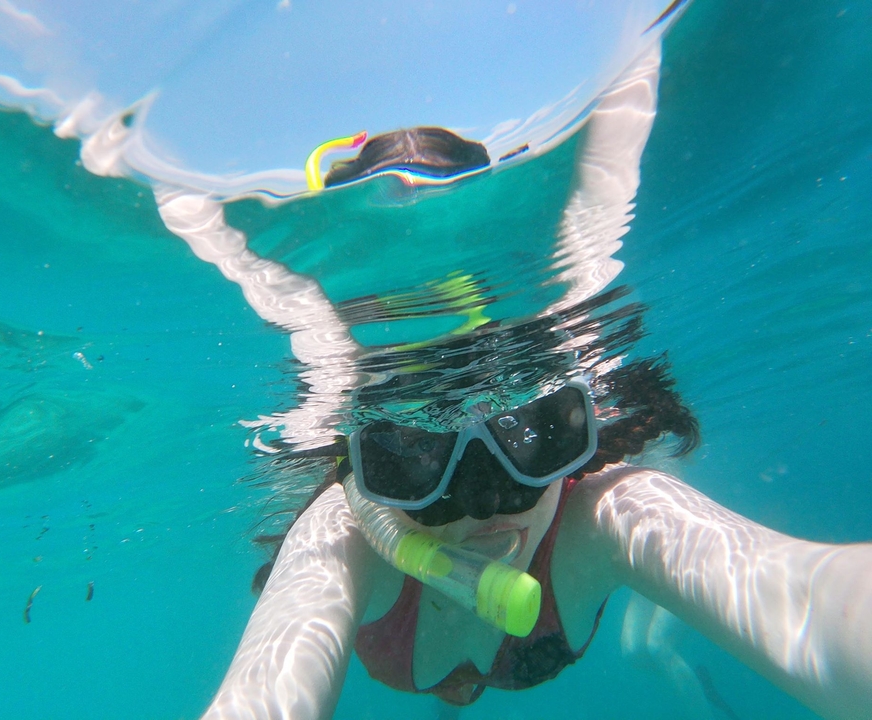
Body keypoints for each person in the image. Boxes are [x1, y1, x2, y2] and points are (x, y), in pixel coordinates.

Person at [153, 44, 872, 720]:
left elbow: (812, 601)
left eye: (532, 440)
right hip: (466, 649)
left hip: (497, 639)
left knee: (629, 630)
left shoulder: (606, 519)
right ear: (365, 472)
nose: (481, 510)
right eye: (414, 462)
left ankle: (653, 624)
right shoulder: (348, 534)